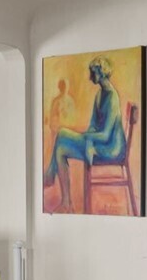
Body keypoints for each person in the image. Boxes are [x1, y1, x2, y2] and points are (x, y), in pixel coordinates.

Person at [44, 57, 125, 211]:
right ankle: (67, 203)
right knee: (60, 150)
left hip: (111, 149)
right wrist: (88, 142)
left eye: (92, 73)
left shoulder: (113, 98)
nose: (90, 77)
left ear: (101, 73)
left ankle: (49, 175)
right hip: (97, 143)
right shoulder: (99, 95)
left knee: (62, 133)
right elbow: (93, 126)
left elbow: (106, 135)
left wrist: (86, 138)